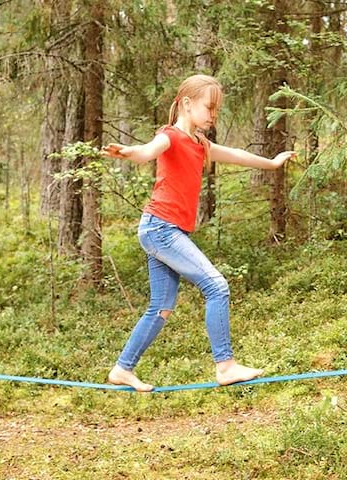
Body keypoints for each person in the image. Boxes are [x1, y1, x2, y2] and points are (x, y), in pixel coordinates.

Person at [101, 74, 296, 392]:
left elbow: (235, 154)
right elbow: (148, 151)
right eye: (209, 107)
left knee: (160, 307)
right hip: (160, 228)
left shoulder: (200, 144)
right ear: (188, 104)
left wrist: (272, 163)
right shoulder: (171, 136)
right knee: (217, 286)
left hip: (164, 230)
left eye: (217, 110)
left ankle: (123, 368)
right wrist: (127, 152)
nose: (213, 115)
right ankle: (226, 365)